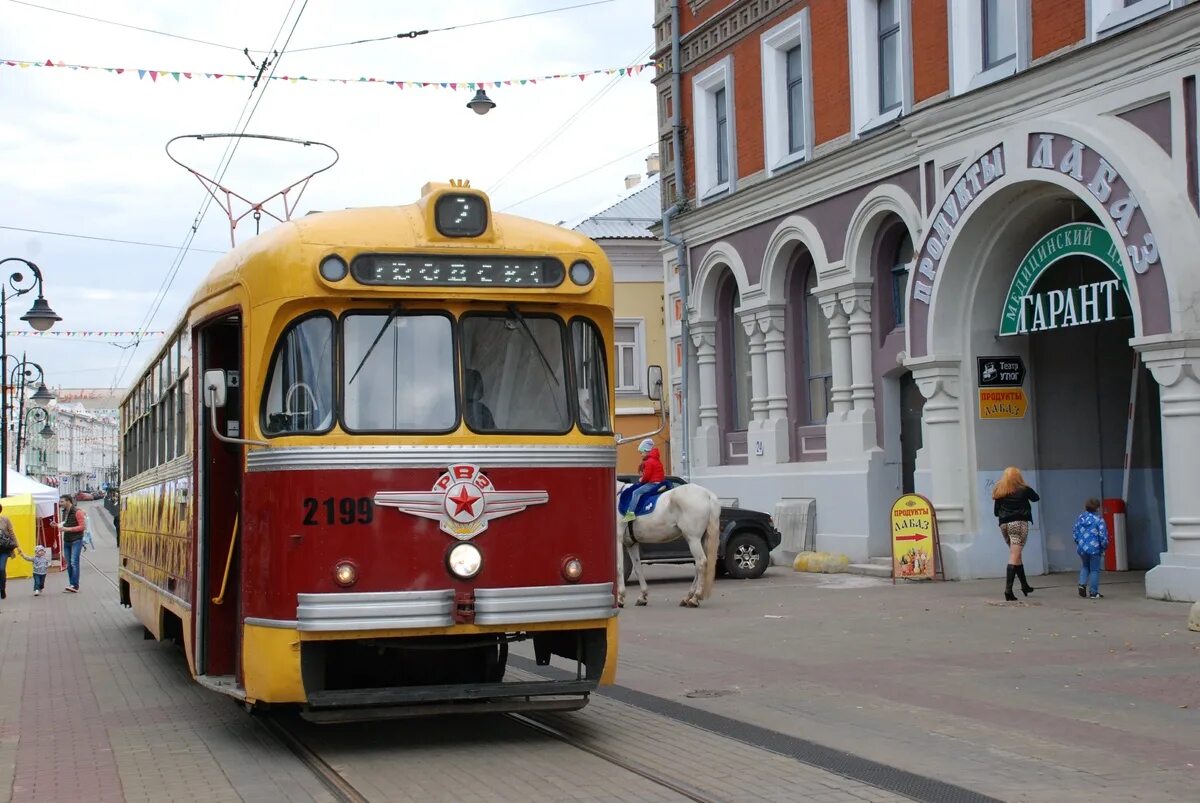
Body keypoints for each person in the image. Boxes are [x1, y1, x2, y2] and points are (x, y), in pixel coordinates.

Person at [992, 466, 1040, 601]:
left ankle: (1025, 586)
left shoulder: (1000, 491)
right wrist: (1025, 487)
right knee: (1014, 555)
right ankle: (1008, 591)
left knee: (1016, 554)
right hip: (1019, 523)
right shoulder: (1024, 490)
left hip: (1004, 524)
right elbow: (1036, 498)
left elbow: (996, 512)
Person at [622, 438, 666, 522]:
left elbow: (647, 476)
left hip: (653, 483)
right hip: (659, 482)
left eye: (641, 452)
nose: (641, 455)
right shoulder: (656, 459)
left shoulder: (649, 462)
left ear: (646, 451)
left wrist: (641, 480)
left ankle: (630, 514)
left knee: (636, 492)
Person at [1073, 498, 1109, 600]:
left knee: (1085, 566)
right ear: (1097, 508)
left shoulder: (1080, 518)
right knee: (1094, 570)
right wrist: (1104, 546)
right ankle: (1093, 592)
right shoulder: (1099, 520)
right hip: (1094, 548)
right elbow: (1103, 536)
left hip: (1082, 548)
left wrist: (1078, 542)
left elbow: (1075, 531)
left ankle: (1082, 584)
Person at [56, 494, 87, 593]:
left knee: (74, 562)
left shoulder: (78, 512)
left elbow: (82, 527)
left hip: (76, 540)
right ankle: (71, 584)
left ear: (68, 501)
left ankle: (75, 585)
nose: (60, 503)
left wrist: (68, 529)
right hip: (67, 540)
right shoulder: (65, 512)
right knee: (69, 564)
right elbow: (65, 524)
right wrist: (56, 526)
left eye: (62, 502)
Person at [0, 503, 16, 601]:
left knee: (1, 569)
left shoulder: (5, 520)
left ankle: (2, 589)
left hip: (4, 550)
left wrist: (17, 546)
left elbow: (11, 533)